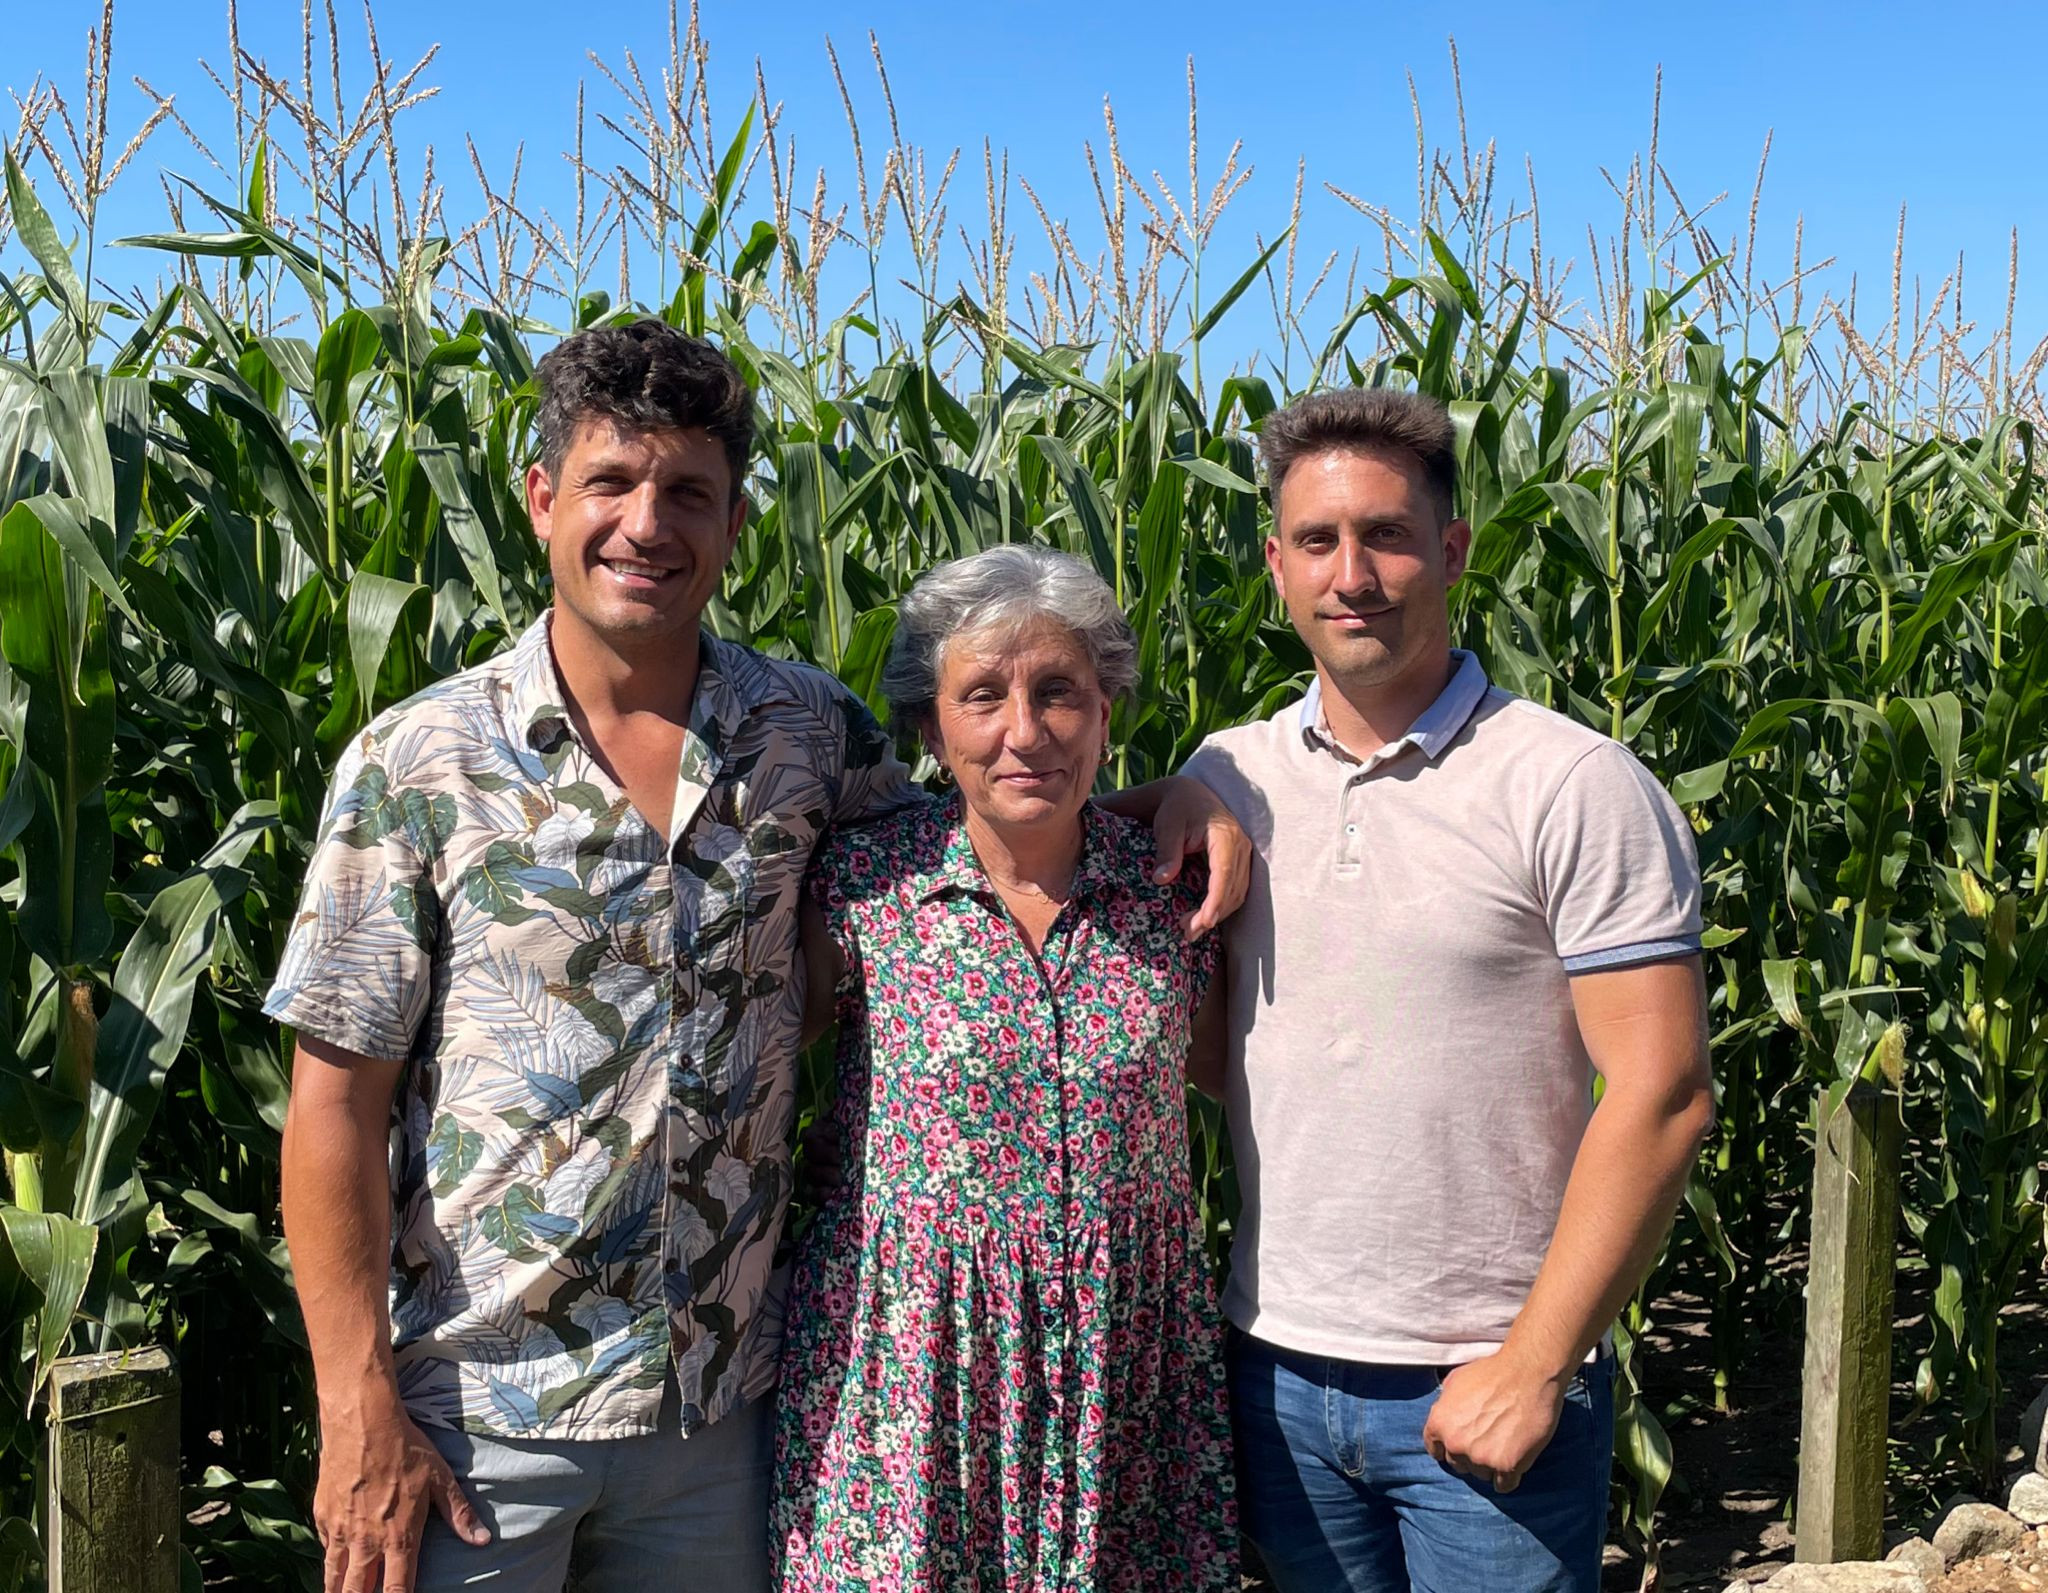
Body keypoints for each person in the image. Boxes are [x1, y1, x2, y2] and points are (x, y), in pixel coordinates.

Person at [266, 320, 1249, 1593]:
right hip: (483, 1418)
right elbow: (332, 1105)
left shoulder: (806, 733)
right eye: (611, 483)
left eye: (688, 493)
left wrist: (1178, 796)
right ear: (540, 498)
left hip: (723, 1411)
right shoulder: (419, 763)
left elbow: (992, 825)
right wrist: (356, 1409)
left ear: (732, 524)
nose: (645, 525)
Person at [1183, 387, 1715, 1593]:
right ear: (1274, 564)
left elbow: (1664, 1089)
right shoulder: (1230, 774)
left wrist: (1534, 1366)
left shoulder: (1570, 783)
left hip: (1483, 1379)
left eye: (1388, 535)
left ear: (1454, 551)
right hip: (1272, 1369)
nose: (1351, 573)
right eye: (1316, 542)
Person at [771, 545, 1238, 1591]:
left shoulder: (1176, 893)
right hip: (914, 1371)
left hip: (1125, 1374)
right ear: (931, 729)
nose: (1023, 732)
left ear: (1106, 712)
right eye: (981, 696)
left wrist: (1196, 794)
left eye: (1059, 692)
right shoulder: (858, 888)